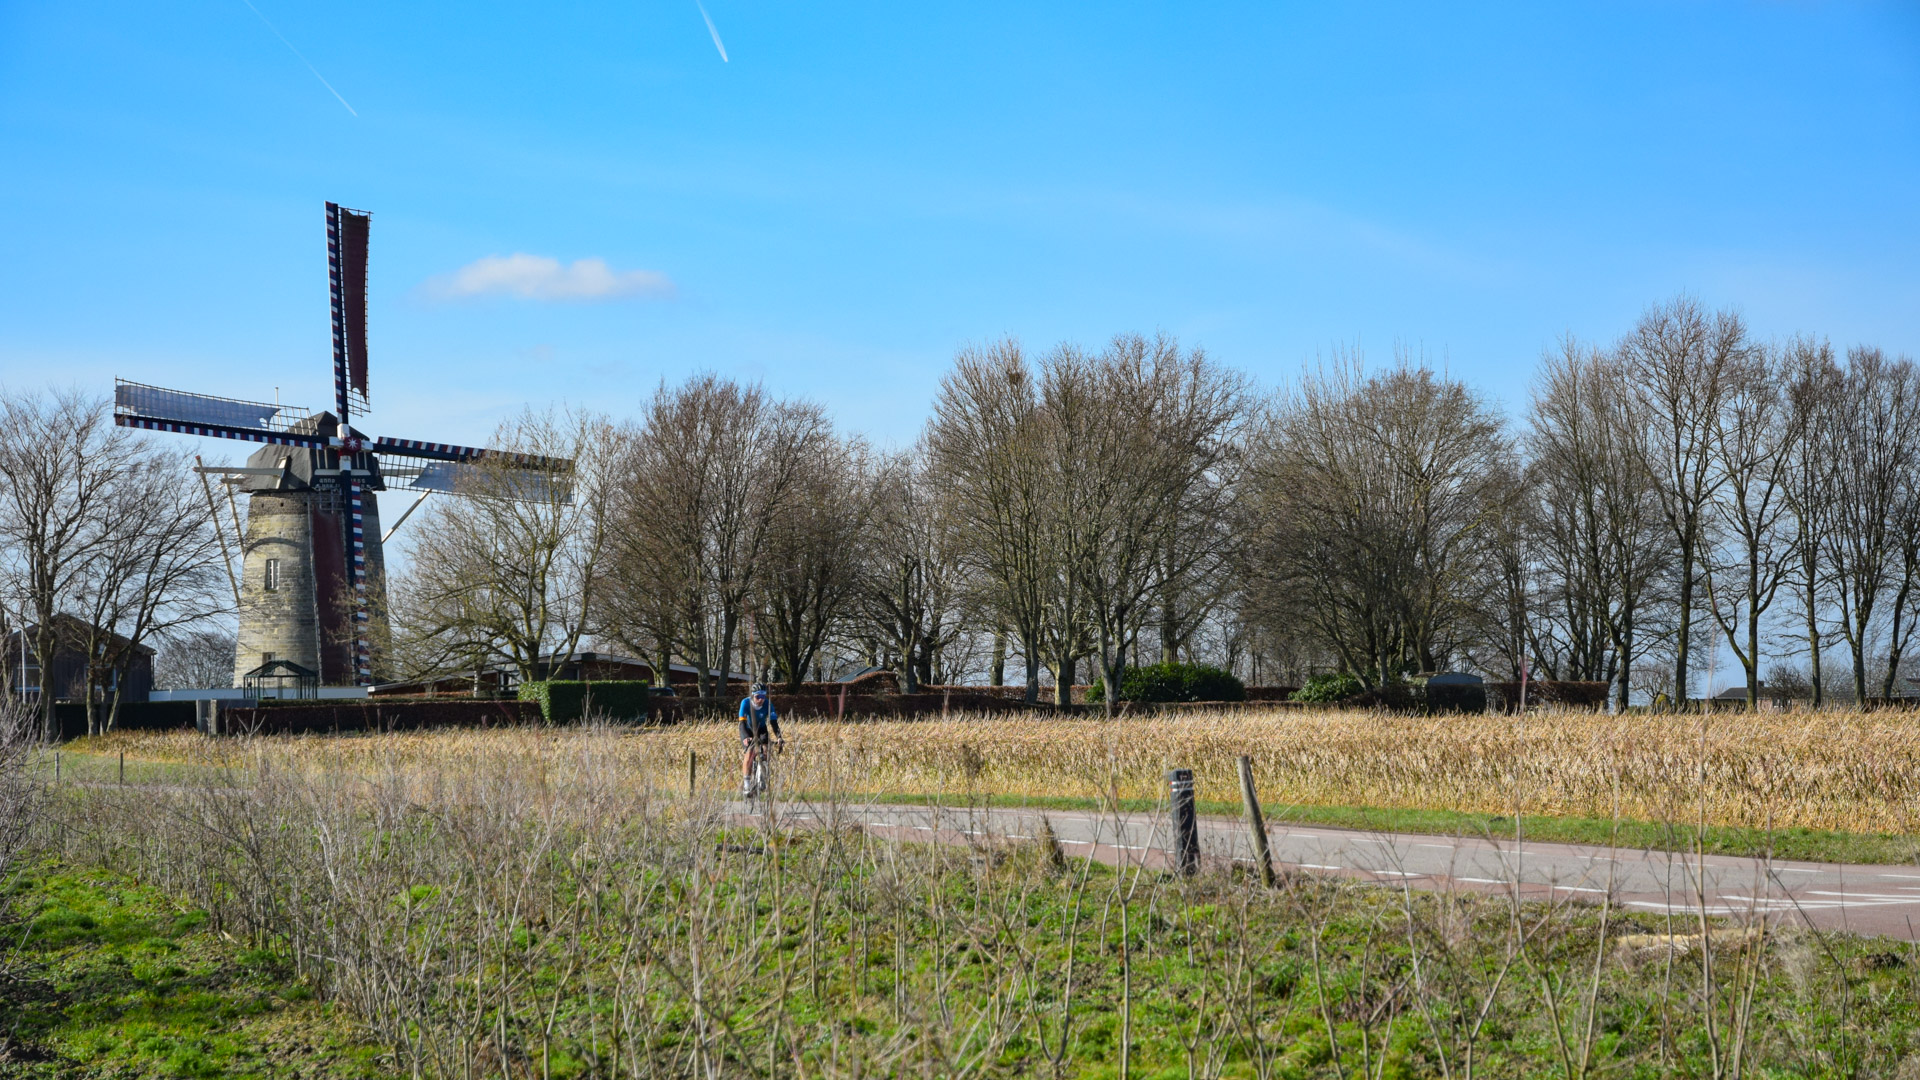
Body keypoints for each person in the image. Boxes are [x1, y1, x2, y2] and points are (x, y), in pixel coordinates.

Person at [738, 682, 783, 795]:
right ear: (753, 696)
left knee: (766, 749)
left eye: (763, 696)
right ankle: (747, 785)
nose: (761, 700)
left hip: (761, 729)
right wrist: (746, 737)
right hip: (747, 729)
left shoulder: (768, 704)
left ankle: (761, 774)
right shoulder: (745, 703)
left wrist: (779, 737)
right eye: (758, 696)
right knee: (750, 753)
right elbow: (741, 723)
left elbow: (774, 722)